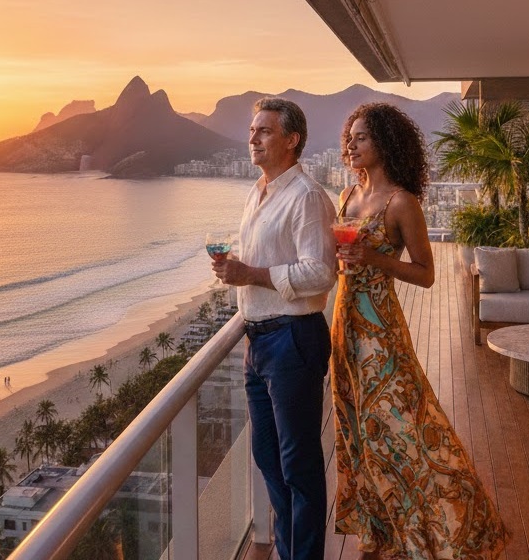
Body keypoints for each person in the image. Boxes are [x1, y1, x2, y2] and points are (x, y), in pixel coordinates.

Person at [331, 103, 509, 559]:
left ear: (385, 143)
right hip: (343, 323)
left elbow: (426, 273)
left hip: (379, 328)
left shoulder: (401, 202)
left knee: (404, 426)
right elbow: (337, 261)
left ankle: (447, 527)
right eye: (349, 136)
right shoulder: (349, 196)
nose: (351, 144)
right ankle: (380, 531)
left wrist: (372, 259)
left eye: (362, 137)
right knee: (357, 428)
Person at [213, 97, 336, 560]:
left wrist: (253, 275)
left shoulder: (306, 197)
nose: (253, 137)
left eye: (264, 131)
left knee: (298, 465)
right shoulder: (257, 191)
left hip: (293, 340)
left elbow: (321, 273)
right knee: (268, 459)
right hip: (258, 341)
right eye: (252, 130)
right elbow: (261, 260)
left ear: (291, 139)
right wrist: (235, 272)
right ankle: (289, 552)